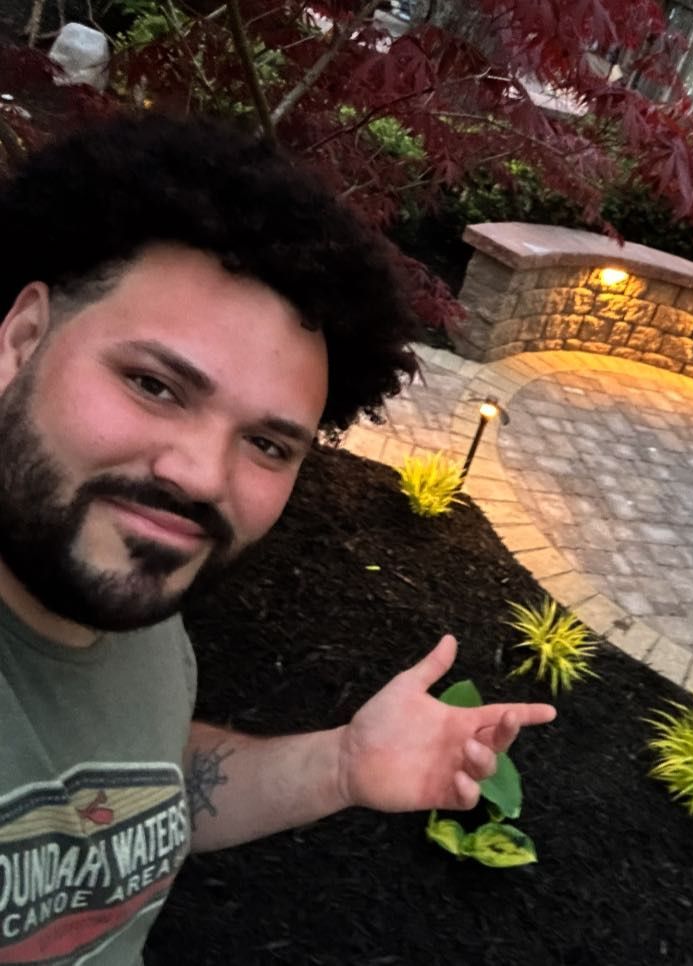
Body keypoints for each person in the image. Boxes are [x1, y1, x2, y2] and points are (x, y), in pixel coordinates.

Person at [0, 113, 556, 964]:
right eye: (153, 384)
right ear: (22, 339)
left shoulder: (127, 601)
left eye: (265, 443)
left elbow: (140, 776)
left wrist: (339, 766)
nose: (199, 476)